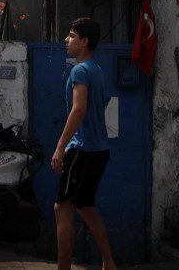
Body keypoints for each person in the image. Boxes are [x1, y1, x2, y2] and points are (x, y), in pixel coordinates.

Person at [52, 17, 117, 270]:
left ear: (84, 41)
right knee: (85, 207)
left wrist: (60, 147)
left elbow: (78, 110)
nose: (66, 40)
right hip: (99, 150)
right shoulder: (97, 70)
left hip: (83, 150)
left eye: (71, 35)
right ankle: (108, 263)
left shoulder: (80, 70)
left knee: (62, 208)